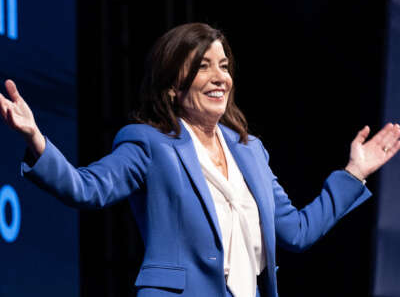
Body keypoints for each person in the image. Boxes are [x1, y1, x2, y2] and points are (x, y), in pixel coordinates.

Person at [0, 23, 399, 297]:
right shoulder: (149, 144)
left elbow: (295, 231)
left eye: (224, 66)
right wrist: (37, 139)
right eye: (204, 66)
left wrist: (354, 173)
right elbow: (86, 189)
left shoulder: (250, 150)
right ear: (174, 85)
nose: (220, 76)